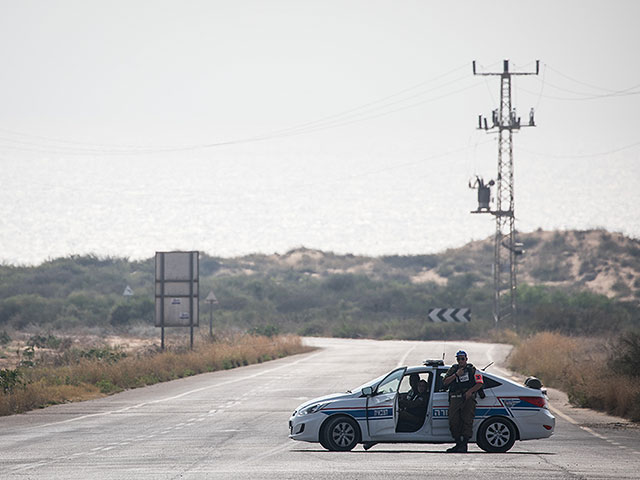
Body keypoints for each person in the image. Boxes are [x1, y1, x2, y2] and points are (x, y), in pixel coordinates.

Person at [443, 350, 483, 453]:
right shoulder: (454, 369)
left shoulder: (472, 370)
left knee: (467, 421)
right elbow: (445, 382)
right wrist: (456, 375)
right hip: (455, 398)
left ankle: (464, 444)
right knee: (453, 421)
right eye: (458, 359)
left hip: (467, 398)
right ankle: (458, 443)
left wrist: (470, 391)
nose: (460, 361)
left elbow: (479, 383)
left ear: (466, 359)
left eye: (462, 359)